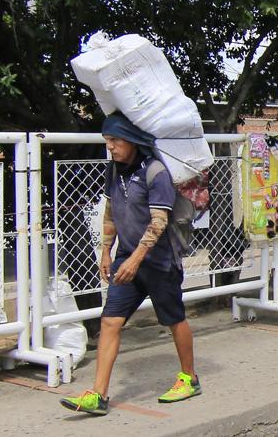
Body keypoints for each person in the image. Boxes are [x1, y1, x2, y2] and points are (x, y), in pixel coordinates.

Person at [59, 114, 200, 415]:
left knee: (174, 319)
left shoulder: (156, 172)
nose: (109, 147)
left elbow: (159, 222)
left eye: (115, 141)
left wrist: (136, 259)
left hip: (159, 262)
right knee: (110, 321)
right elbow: (111, 212)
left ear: (132, 141)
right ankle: (99, 395)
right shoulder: (114, 171)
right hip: (126, 260)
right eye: (107, 141)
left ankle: (190, 378)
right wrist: (106, 251)